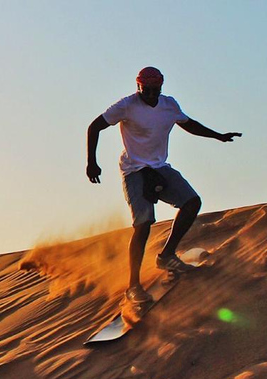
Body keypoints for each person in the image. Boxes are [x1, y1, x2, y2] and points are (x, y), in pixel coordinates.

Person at [86, 66, 241, 305]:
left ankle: (167, 255)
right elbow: (94, 126)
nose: (151, 94)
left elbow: (188, 124)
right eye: (146, 90)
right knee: (144, 223)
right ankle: (133, 287)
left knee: (191, 202)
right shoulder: (126, 106)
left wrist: (218, 136)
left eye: (155, 90)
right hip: (134, 171)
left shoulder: (168, 105)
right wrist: (92, 163)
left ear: (161, 86)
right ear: (138, 87)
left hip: (160, 167)